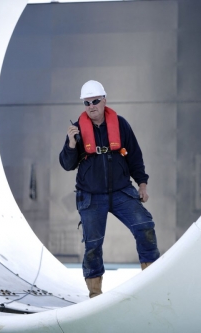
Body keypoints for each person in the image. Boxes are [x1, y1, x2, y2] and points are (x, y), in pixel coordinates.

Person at [59, 80, 160, 298]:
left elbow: (134, 155)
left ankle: (151, 280)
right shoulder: (76, 130)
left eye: (95, 101)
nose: (91, 106)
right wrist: (70, 144)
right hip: (91, 196)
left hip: (121, 191)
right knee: (93, 245)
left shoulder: (120, 124)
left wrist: (142, 184)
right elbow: (67, 165)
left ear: (104, 100)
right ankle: (95, 294)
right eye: (87, 102)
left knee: (145, 226)